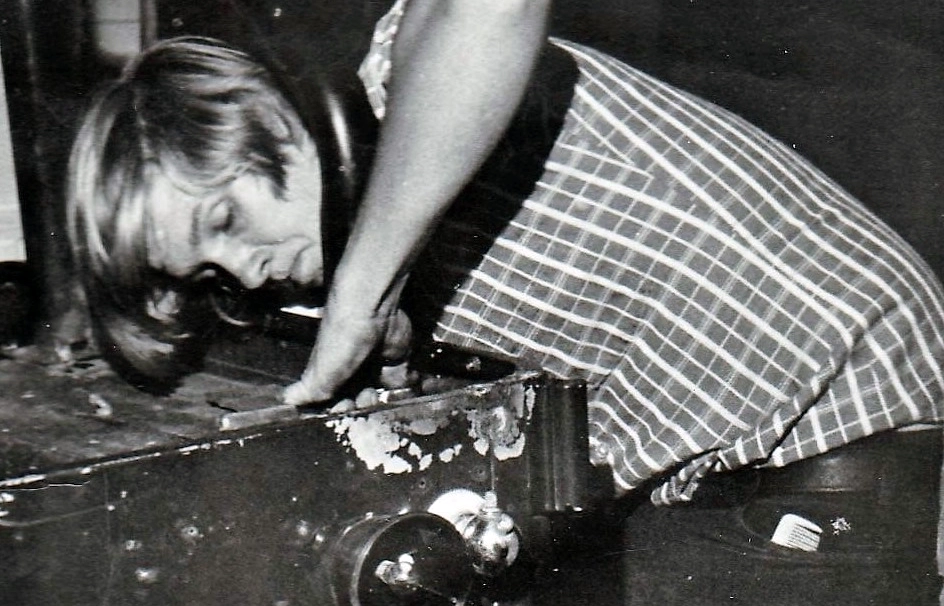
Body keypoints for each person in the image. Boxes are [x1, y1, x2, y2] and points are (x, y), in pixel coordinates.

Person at [67, 21, 944, 511]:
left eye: (225, 218)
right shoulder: (375, 229)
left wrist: (360, 298)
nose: (248, 274)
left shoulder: (394, 73)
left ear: (264, 116)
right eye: (210, 269)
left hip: (853, 393)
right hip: (756, 452)